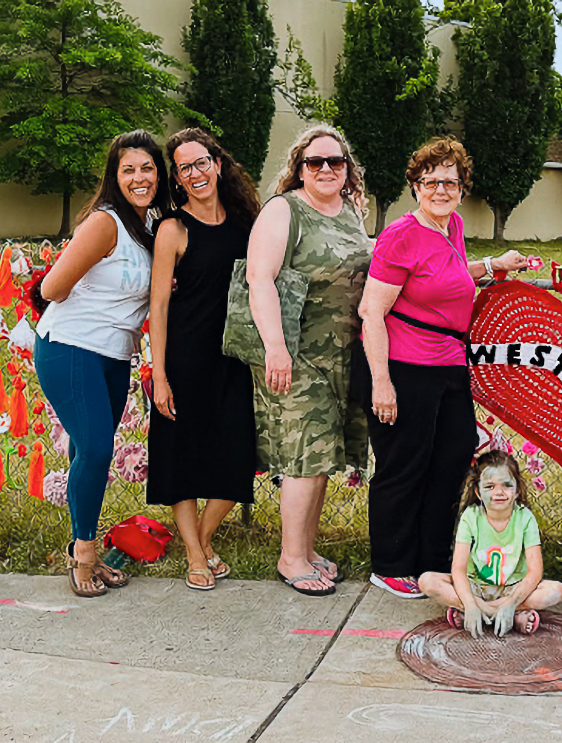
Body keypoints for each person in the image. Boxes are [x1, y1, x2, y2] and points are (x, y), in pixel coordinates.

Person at [356, 136, 526, 599]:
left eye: (450, 181)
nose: (440, 189)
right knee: (404, 466)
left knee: (451, 461)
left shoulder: (448, 227)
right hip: (405, 365)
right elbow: (372, 311)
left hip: (449, 367)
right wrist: (382, 383)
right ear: (415, 186)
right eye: (430, 181)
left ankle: (432, 561)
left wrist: (491, 264)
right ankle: (391, 564)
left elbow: (446, 278)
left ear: (462, 188)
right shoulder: (401, 234)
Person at [34, 130, 165, 597]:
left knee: (85, 451)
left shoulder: (148, 226)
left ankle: (78, 544)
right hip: (71, 347)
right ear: (114, 176)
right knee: (96, 450)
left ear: (158, 173)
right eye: (127, 169)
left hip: (114, 355)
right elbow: (50, 289)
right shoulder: (105, 223)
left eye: (147, 167)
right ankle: (84, 555)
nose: (138, 177)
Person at [248, 125, 372, 596]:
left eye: (334, 162)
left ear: (347, 170)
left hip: (343, 355)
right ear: (298, 169)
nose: (325, 169)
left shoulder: (350, 213)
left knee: (324, 458)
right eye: (314, 162)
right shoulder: (283, 210)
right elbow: (260, 280)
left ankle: (307, 547)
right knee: (305, 456)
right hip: (296, 353)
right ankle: (291, 557)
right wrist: (276, 348)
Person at [148, 128, 259, 591]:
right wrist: (159, 374)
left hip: (234, 359)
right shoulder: (173, 229)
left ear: (217, 163)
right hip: (185, 358)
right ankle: (196, 554)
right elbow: (157, 306)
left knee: (237, 457)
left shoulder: (245, 224)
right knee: (182, 459)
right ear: (177, 177)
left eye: (201, 162)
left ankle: (204, 538)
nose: (194, 173)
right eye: (184, 167)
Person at [419, 451, 562, 637]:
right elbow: (458, 568)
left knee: (557, 591)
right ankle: (500, 614)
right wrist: (472, 602)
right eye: (489, 486)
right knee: (427, 581)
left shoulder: (525, 518)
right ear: (478, 492)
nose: (499, 492)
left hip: (513, 588)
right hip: (477, 587)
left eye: (507, 485)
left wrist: (510, 602)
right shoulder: (471, 516)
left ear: (517, 490)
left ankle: (484, 612)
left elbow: (535, 572)